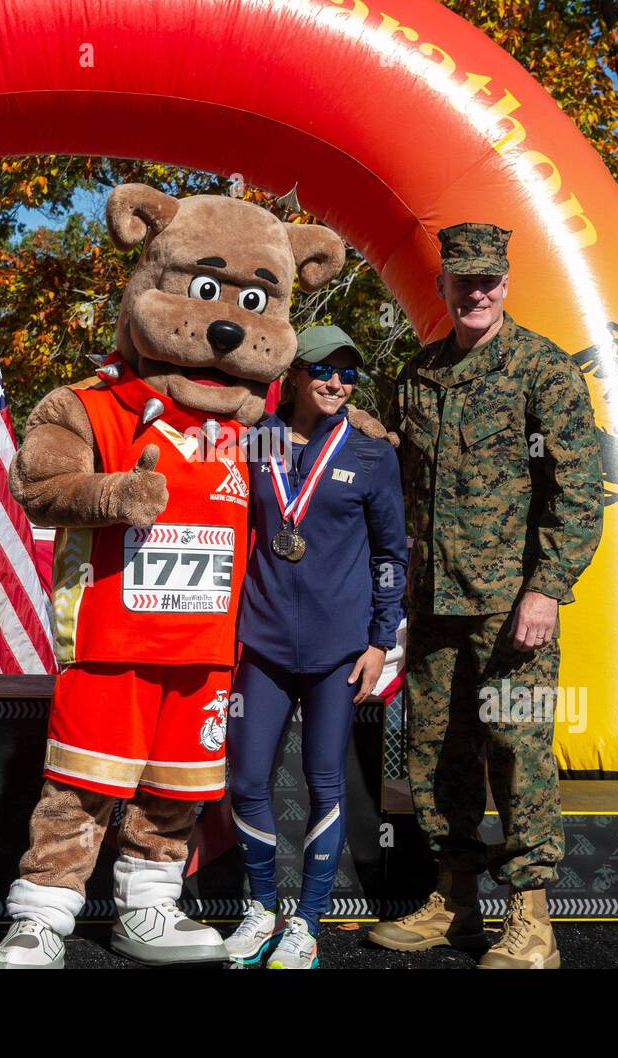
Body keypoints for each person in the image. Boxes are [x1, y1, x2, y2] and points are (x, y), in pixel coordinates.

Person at [368, 223, 604, 969]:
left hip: (511, 608)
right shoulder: (418, 372)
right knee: (438, 753)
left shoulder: (544, 370)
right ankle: (455, 900)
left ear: (506, 283)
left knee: (518, 749)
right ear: (441, 288)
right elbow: (397, 478)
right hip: (434, 602)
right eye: (462, 281)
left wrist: (547, 590)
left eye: (488, 280)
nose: (476, 292)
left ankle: (532, 921)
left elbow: (577, 493)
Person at [222, 325, 407, 969]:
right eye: (325, 371)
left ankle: (306, 923)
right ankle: (260, 908)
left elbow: (391, 554)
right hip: (263, 646)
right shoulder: (257, 442)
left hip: (340, 651)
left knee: (324, 782)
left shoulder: (373, 454)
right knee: (246, 779)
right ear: (295, 374)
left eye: (349, 374)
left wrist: (382, 641)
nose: (337, 383)